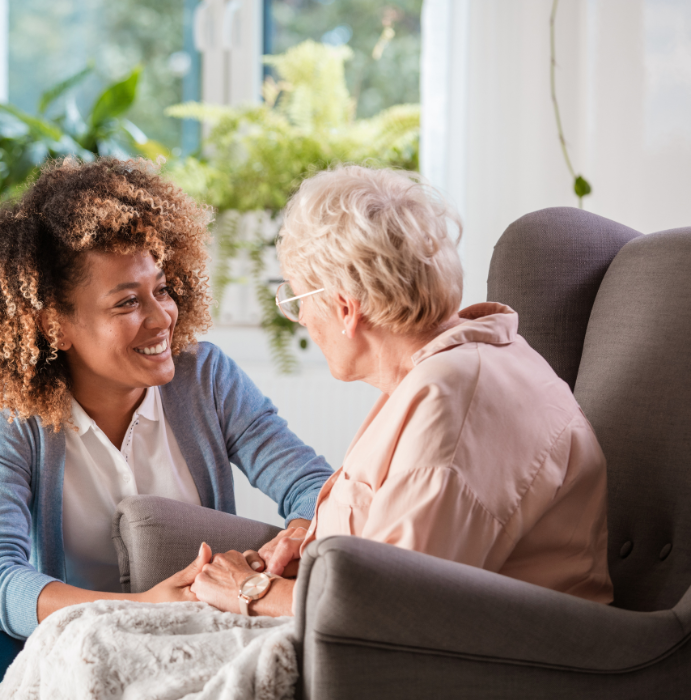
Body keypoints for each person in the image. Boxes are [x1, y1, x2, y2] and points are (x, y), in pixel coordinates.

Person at [0, 157, 334, 699]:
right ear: (54, 324)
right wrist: (137, 608)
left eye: (161, 289)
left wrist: (300, 532)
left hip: (191, 635)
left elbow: (313, 486)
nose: (162, 318)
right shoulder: (9, 411)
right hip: (63, 640)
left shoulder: (204, 377)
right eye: (128, 302)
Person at [191, 165, 614, 617]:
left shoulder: (452, 401)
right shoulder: (452, 367)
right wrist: (316, 545)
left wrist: (251, 590)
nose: (303, 321)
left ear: (345, 307)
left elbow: (393, 609)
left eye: (296, 300)